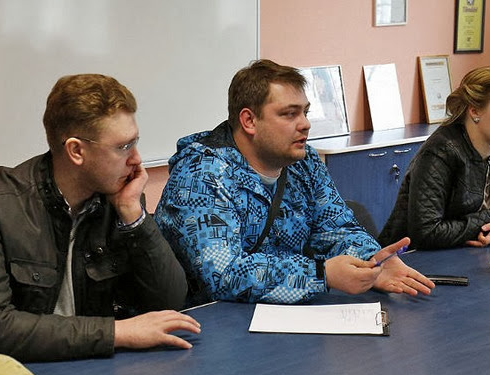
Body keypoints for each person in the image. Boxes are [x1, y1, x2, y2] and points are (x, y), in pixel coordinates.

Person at [0, 74, 200, 362]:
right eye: (123, 147)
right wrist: (116, 333)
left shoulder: (119, 196)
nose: (136, 159)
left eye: (135, 142)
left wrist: (134, 216)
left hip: (95, 367)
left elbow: (170, 302)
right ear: (76, 151)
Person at [155, 59, 434, 305]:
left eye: (305, 112)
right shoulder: (201, 175)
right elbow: (223, 274)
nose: (305, 124)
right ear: (249, 121)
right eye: (289, 114)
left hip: (281, 318)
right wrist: (320, 275)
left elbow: (336, 228)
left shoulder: (304, 161)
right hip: (210, 325)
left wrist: (373, 262)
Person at [378, 67, 490, 250]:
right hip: (409, 259)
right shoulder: (441, 151)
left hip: (469, 253)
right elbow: (426, 232)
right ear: (475, 111)